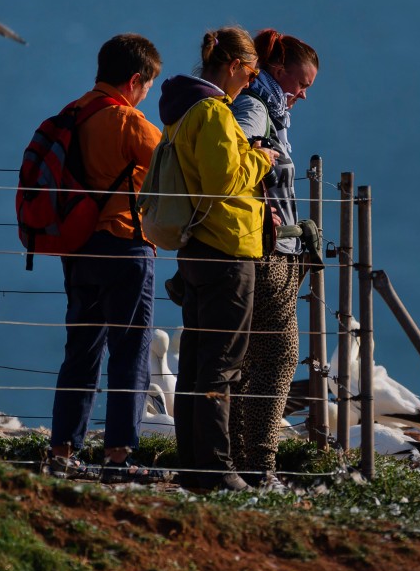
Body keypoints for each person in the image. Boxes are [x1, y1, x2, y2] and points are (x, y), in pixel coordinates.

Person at [158, 26, 273, 491]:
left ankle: (195, 464)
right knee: (222, 365)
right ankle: (217, 469)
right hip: (226, 247)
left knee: (196, 363)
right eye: (249, 73)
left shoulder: (182, 111)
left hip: (198, 248)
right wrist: (261, 157)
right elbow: (225, 180)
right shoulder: (212, 112)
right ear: (232, 67)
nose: (249, 83)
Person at [49, 33, 164, 483]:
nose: (146, 95)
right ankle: (118, 456)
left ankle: (62, 448)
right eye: (148, 87)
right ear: (135, 80)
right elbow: (172, 169)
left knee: (81, 349)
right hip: (125, 245)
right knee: (131, 348)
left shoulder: (72, 114)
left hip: (78, 248)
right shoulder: (128, 121)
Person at [228, 29, 319, 483]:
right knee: (278, 357)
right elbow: (229, 160)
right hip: (266, 250)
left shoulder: (269, 109)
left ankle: (237, 460)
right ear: (276, 70)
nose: (303, 95)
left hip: (264, 248)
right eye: (300, 83)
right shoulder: (254, 107)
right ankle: (260, 468)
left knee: (246, 360)